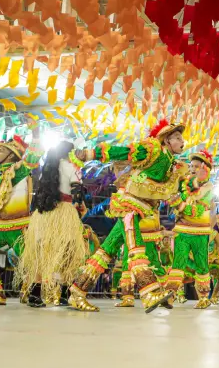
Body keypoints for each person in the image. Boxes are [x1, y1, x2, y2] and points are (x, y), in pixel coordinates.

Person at [69, 119, 189, 313]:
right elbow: (125, 152)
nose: (182, 141)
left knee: (106, 250)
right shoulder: (153, 149)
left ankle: (77, 291)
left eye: (181, 137)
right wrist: (90, 154)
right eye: (176, 137)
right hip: (130, 205)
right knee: (135, 248)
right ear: (166, 141)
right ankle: (149, 293)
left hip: (143, 208)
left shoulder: (171, 162)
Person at [16, 141, 92, 307]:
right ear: (70, 153)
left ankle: (35, 295)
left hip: (43, 214)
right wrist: (81, 207)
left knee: (40, 254)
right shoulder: (72, 167)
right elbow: (77, 193)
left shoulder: (48, 168)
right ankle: (64, 294)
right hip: (65, 212)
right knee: (68, 254)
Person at [0, 135, 41, 305]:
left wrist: (36, 131)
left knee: (28, 260)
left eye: (2, 150)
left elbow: (33, 158)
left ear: (12, 155)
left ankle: (34, 291)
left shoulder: (18, 170)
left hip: (17, 224)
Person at [164, 150, 215, 309]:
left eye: (196, 166)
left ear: (205, 168)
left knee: (201, 264)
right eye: (191, 166)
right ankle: (170, 296)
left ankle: (204, 298)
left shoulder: (209, 187)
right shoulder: (183, 183)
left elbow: (198, 208)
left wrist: (179, 204)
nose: (192, 169)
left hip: (200, 231)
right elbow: (173, 195)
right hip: (182, 230)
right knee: (178, 262)